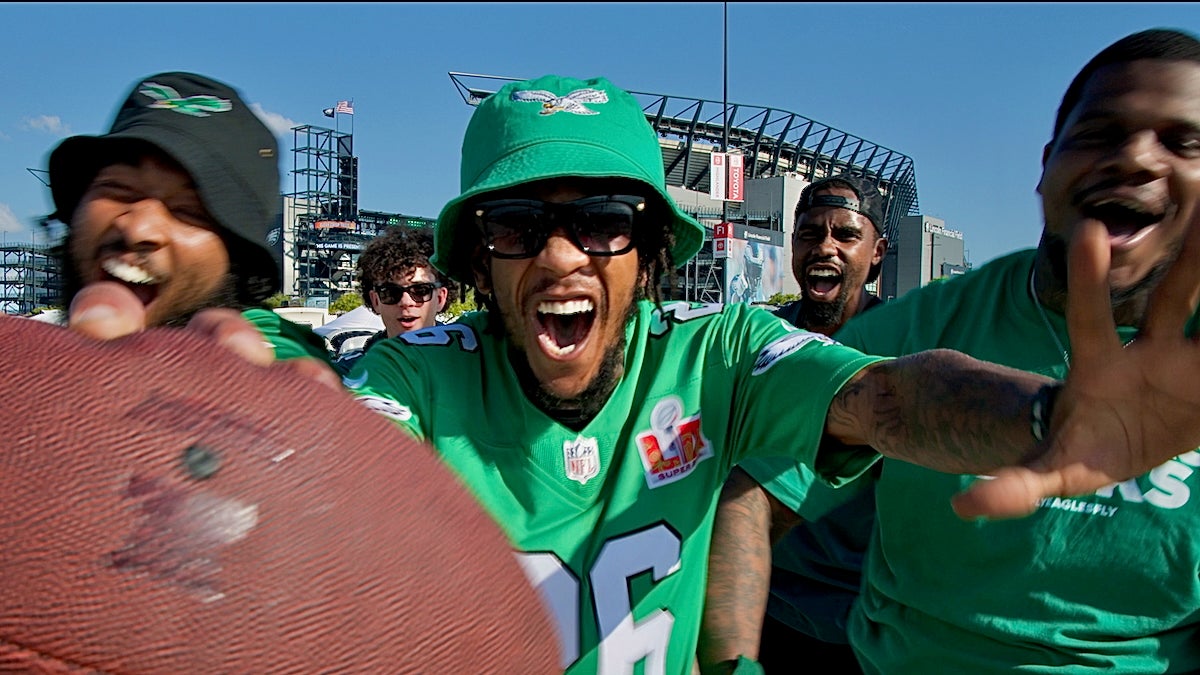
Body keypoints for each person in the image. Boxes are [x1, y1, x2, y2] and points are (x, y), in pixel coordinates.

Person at [334, 72, 1200, 675]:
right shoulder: (415, 376)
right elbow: (341, 475)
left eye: (603, 220)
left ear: (652, 250)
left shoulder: (718, 351)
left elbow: (889, 397)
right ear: (478, 258)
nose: (563, 255)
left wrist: (1053, 416)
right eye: (517, 225)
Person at [701, 27, 1200, 674]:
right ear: (1045, 168)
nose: (1135, 158)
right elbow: (755, 493)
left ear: (878, 252)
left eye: (1182, 140)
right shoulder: (906, 335)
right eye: (1100, 133)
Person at [703, 174, 890, 673]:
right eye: (809, 234)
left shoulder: (899, 356)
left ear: (877, 252)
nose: (824, 246)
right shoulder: (759, 341)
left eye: (846, 235)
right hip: (752, 610)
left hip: (852, 631)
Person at [47, 70, 330, 367]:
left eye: (188, 211)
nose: (137, 228)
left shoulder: (269, 351)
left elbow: (281, 362)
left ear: (238, 261)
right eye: (118, 189)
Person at [349, 225, 452, 356]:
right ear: (375, 300)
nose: (406, 302)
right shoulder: (352, 371)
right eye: (391, 292)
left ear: (440, 298)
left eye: (420, 290)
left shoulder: (471, 365)